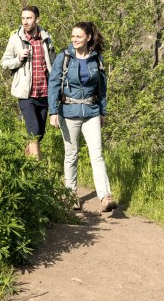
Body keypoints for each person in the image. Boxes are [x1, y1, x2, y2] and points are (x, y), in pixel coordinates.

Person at [48, 21, 117, 212]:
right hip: (68, 112)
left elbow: (102, 89)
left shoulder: (97, 59)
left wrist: (102, 111)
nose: (75, 40)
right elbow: (53, 84)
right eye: (73, 36)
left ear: (88, 37)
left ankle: (105, 196)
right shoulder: (64, 58)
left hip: (92, 112)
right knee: (71, 155)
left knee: (97, 154)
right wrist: (53, 111)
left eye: (78, 36)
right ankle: (71, 196)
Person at [1, 6, 55, 159]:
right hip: (26, 94)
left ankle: (26, 158)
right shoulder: (15, 39)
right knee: (33, 130)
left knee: (40, 134)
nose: (25, 22)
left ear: (37, 19)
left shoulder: (47, 39)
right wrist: (18, 59)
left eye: (29, 18)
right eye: (23, 18)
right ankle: (38, 166)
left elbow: (53, 64)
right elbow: (4, 63)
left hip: (44, 92)